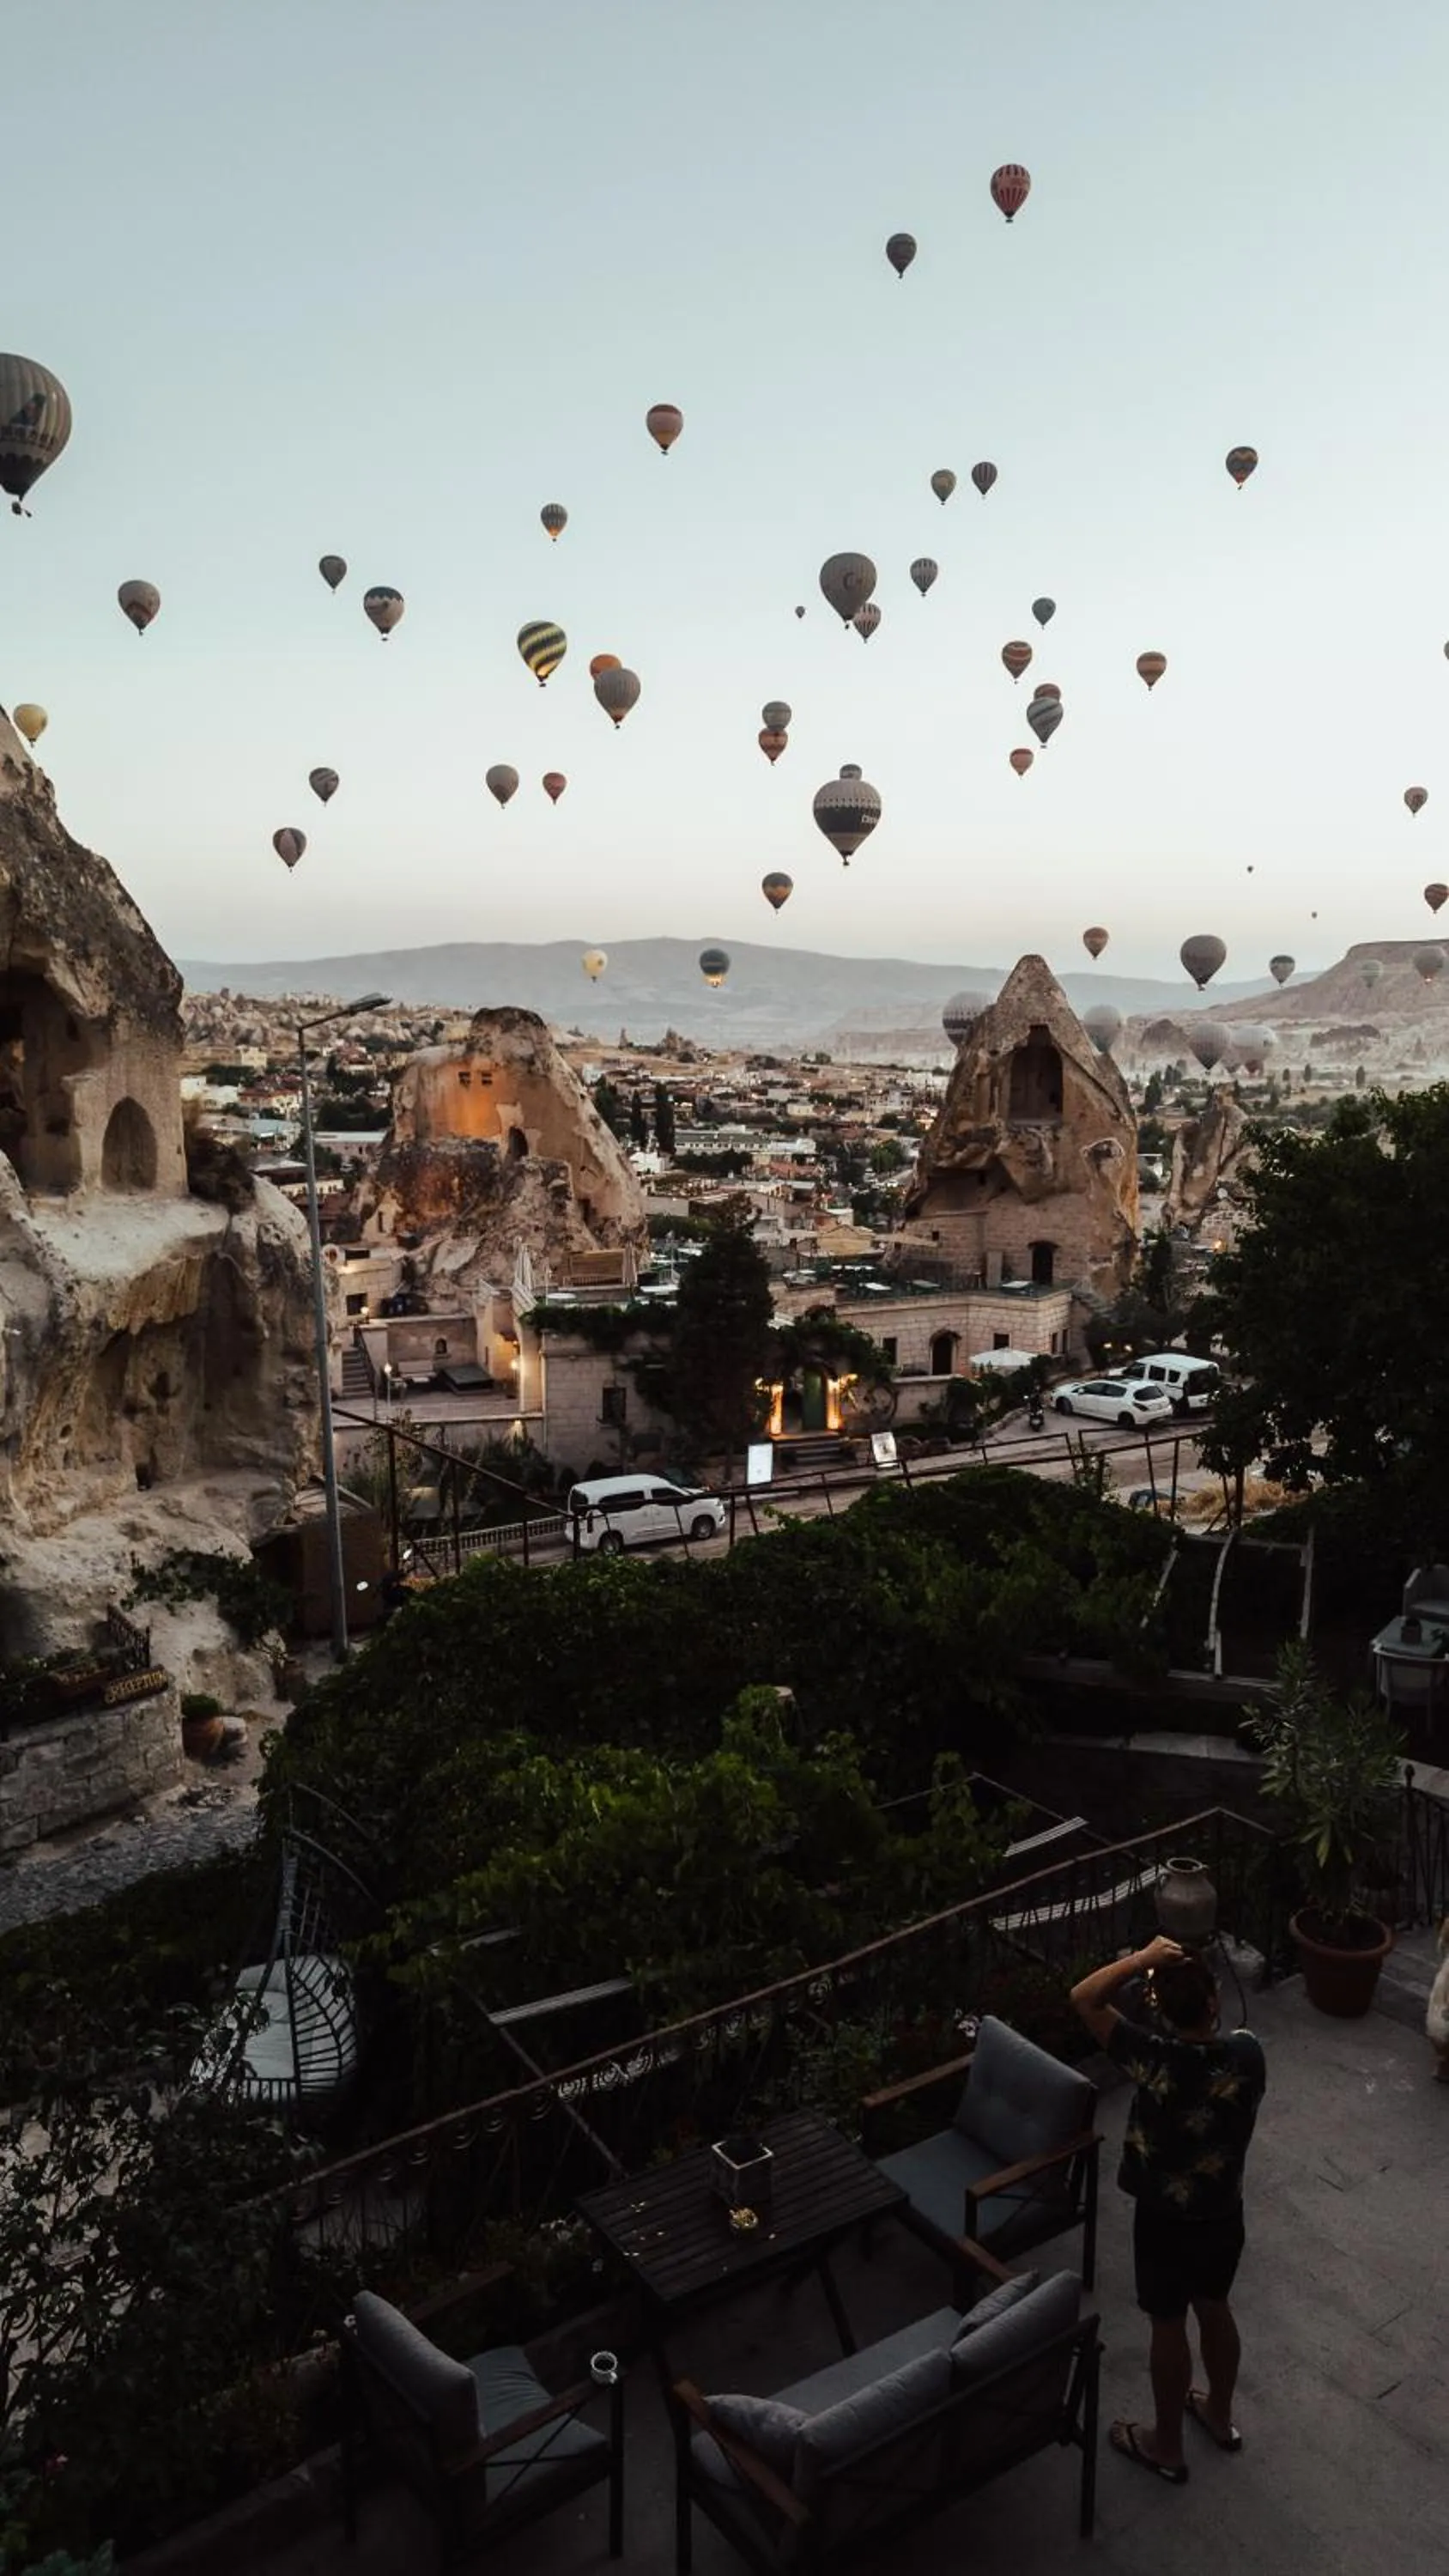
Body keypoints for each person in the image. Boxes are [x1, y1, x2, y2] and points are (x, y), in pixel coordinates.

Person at [1070, 1934, 1266, 2485]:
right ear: (1213, 2002)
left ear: (1162, 2012)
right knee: (1215, 2307)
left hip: (1163, 2221)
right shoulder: (1247, 2054)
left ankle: (1167, 2446)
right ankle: (1219, 2415)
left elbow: (1083, 1997)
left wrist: (1142, 1960)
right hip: (1223, 2213)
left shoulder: (1151, 2058)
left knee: (1168, 2322)